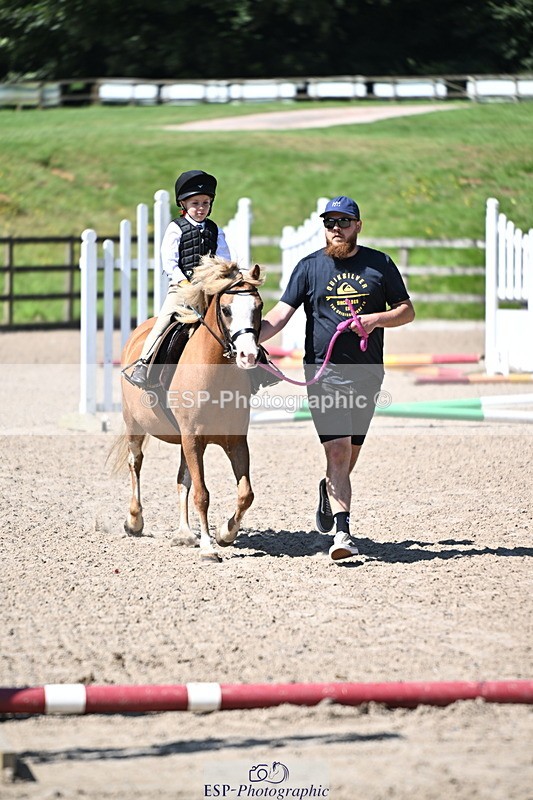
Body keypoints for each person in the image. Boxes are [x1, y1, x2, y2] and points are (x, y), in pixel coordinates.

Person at [259, 196, 415, 561]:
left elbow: (406, 311)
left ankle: (328, 489)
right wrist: (249, 339)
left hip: (367, 374)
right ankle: (343, 534)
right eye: (330, 222)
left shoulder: (380, 264)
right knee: (338, 450)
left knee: (349, 455)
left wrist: (376, 320)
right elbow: (280, 315)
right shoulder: (308, 267)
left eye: (344, 222)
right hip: (322, 374)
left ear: (358, 225)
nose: (336, 228)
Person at [129, 169, 231, 388]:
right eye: (195, 203)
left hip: (209, 290)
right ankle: (144, 364)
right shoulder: (176, 228)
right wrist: (183, 282)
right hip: (182, 288)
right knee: (163, 321)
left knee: (236, 319)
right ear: (183, 204)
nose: (201, 208)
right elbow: (169, 261)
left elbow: (224, 260)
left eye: (205, 202)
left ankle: (257, 366)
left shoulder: (216, 230)